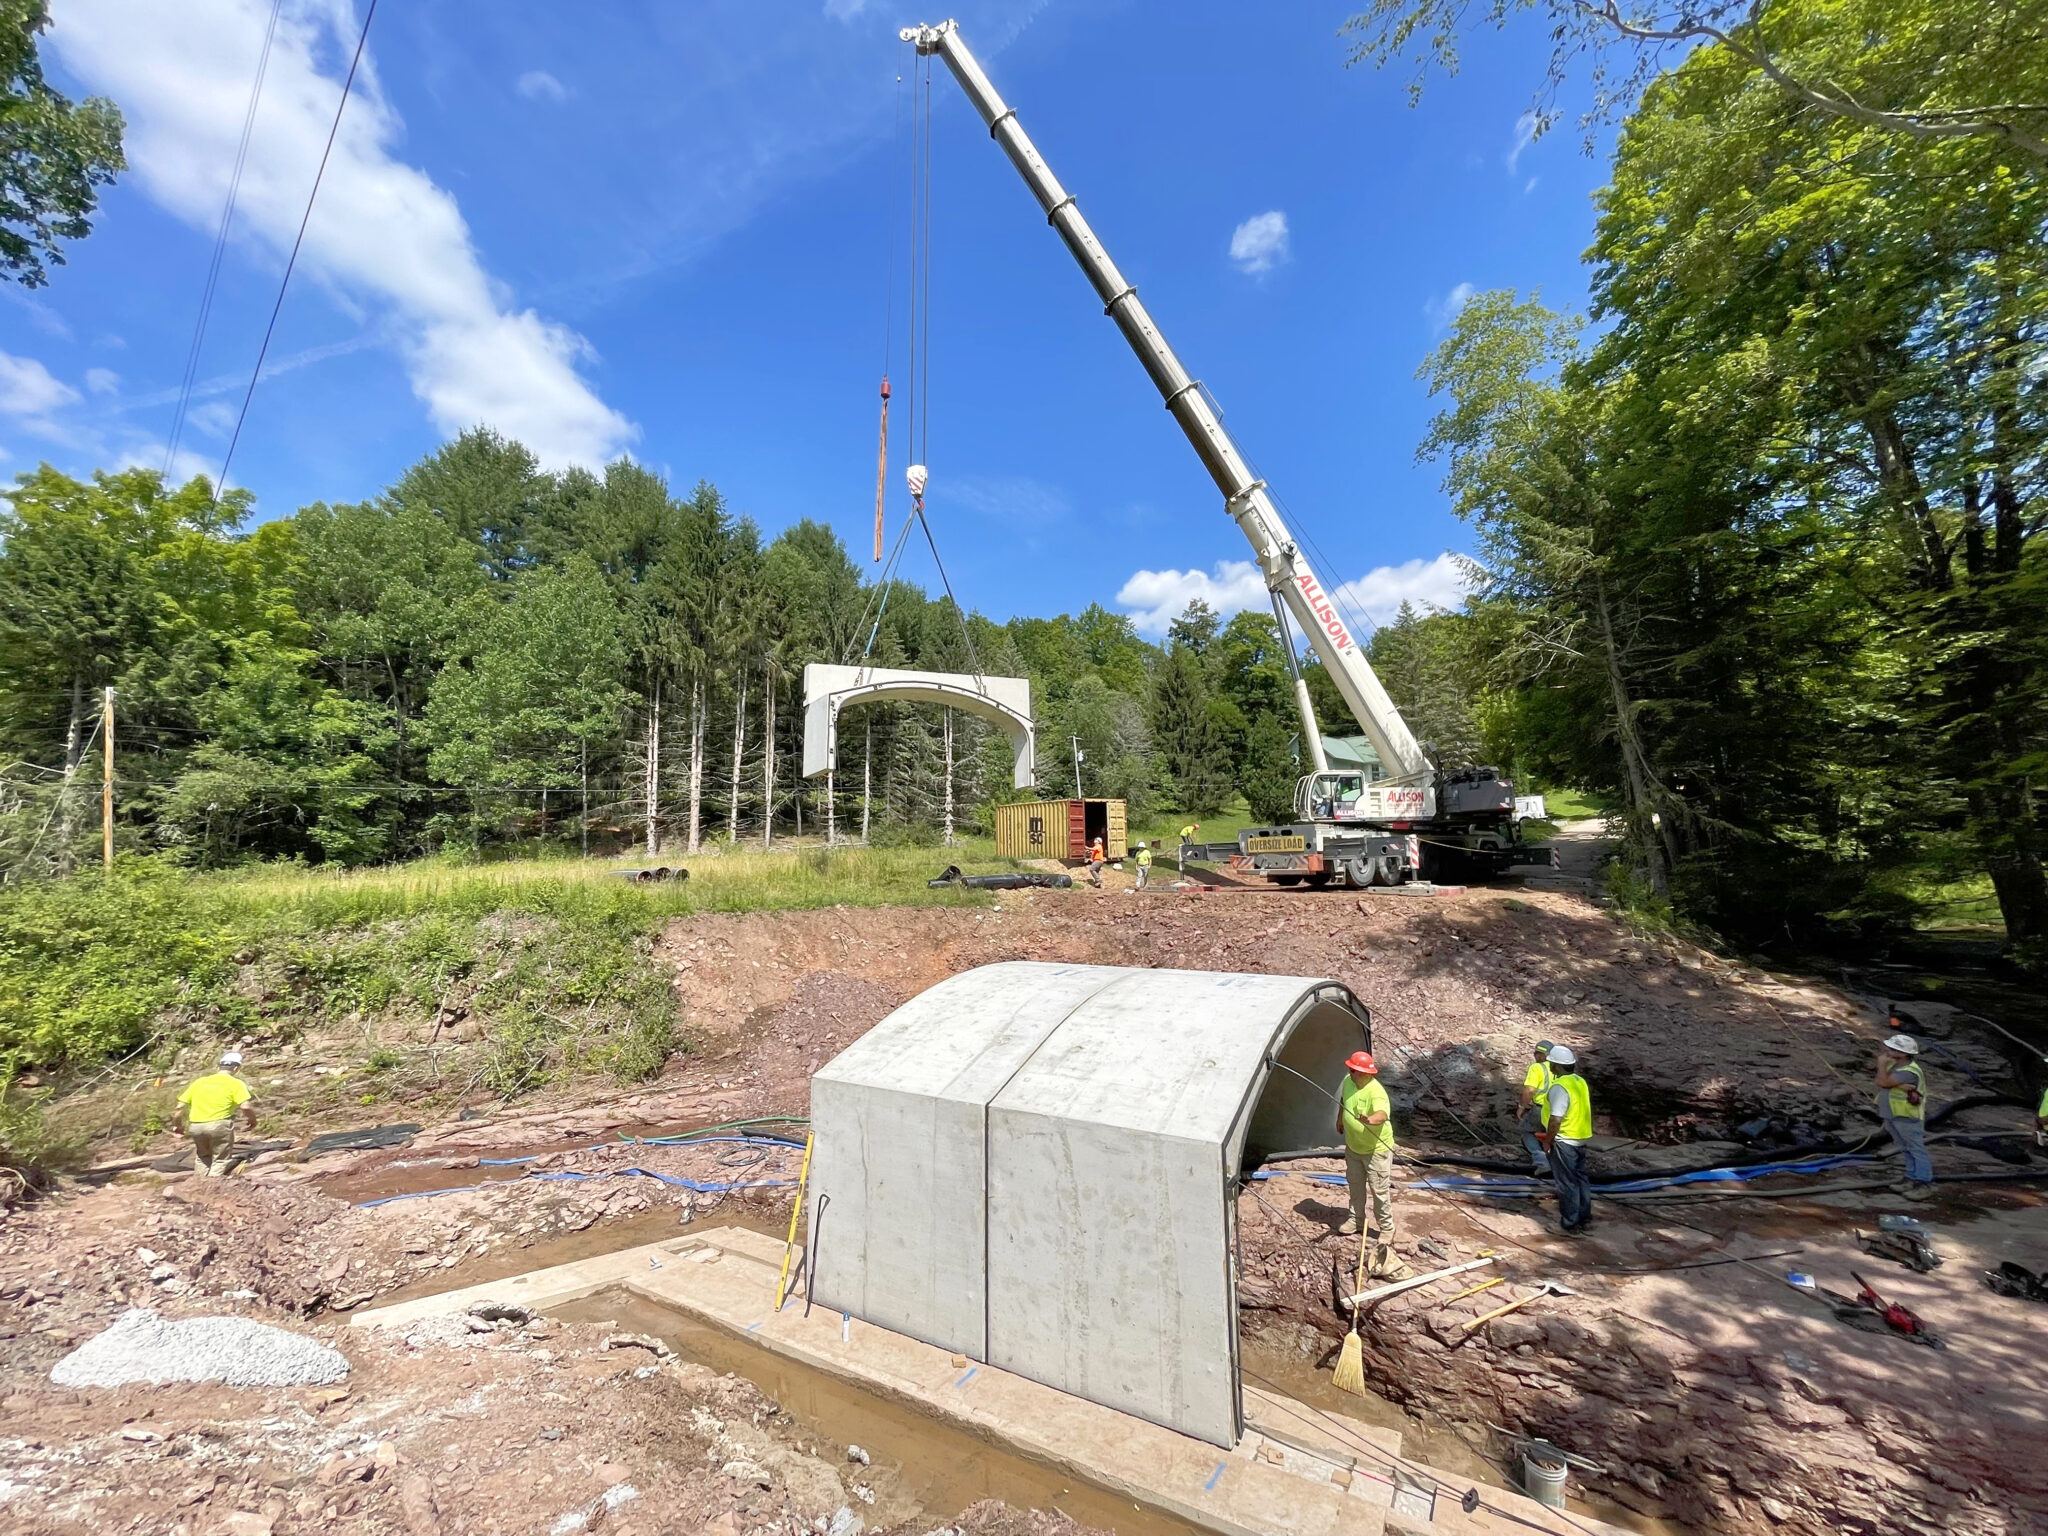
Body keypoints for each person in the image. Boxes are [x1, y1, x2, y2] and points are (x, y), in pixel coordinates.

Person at [1335, 1050, 1407, 1277]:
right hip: (1354, 1147)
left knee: (1378, 1189)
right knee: (1355, 1184)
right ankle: (1356, 1220)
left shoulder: (1376, 1091)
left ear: (1365, 1073)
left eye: (1354, 1070)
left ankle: (1386, 1228)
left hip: (1376, 1150)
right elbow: (1343, 1100)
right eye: (1350, 1069)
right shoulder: (1348, 1081)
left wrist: (1370, 1120)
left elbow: (1382, 1114)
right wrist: (1340, 1119)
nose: (1350, 1072)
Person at [1536, 1045, 1594, 1233]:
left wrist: (1547, 1141)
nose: (1549, 1065)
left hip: (1564, 1141)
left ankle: (1569, 1224)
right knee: (1580, 1179)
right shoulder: (1579, 1081)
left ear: (1557, 1066)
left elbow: (1555, 1119)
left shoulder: (1560, 1087)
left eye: (1551, 1063)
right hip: (1580, 1138)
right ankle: (1584, 1218)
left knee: (1566, 1183)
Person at [174, 1050, 258, 1177]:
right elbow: (245, 1106)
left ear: (218, 1067)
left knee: (202, 1157)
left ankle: (199, 1183)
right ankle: (212, 1184)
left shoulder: (199, 1082)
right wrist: (252, 1121)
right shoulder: (236, 1083)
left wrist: (177, 1125)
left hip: (196, 1126)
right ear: (236, 1068)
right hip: (219, 1125)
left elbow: (179, 1107)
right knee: (220, 1159)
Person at [1875, 1030, 1933, 1198]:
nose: (1887, 1051)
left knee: (1915, 1149)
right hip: (1893, 1114)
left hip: (1906, 1116)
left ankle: (1923, 1183)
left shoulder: (1909, 1071)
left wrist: (1881, 1065)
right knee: (1905, 1148)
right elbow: (1881, 1082)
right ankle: (1910, 1178)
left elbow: (1883, 1081)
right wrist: (1896, 1084)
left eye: (1892, 1049)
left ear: (1903, 1053)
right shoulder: (1895, 1066)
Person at [1518, 1040, 1557, 1177]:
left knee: (1527, 1132)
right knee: (1551, 1134)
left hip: (1540, 1108)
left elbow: (1529, 1090)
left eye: (1538, 1054)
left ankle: (1541, 1161)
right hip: (1558, 1109)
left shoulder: (1537, 1068)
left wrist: (1522, 1106)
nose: (1537, 1056)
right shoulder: (1558, 1068)